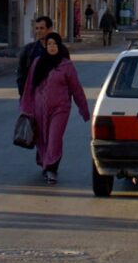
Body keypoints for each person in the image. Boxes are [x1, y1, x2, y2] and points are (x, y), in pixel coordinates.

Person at [19, 31, 90, 184]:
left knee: (54, 138)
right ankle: (45, 162)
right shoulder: (38, 63)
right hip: (39, 109)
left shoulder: (66, 66)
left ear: (59, 46)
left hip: (60, 109)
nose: (51, 47)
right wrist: (26, 107)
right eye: (49, 44)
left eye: (54, 44)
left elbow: (76, 88)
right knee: (42, 139)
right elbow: (29, 86)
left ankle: (51, 168)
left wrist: (83, 109)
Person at [17, 16, 52, 98]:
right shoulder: (29, 50)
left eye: (42, 28)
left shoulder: (60, 50)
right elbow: (21, 73)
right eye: (36, 28)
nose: (38, 31)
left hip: (52, 97)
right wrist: (23, 93)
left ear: (50, 29)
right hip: (32, 96)